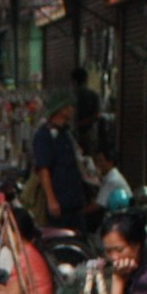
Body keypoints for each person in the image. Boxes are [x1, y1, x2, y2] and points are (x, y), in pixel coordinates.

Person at [31, 92, 88, 231]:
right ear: (60, 109)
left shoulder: (66, 133)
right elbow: (43, 168)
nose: (72, 110)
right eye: (68, 106)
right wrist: (51, 199)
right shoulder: (44, 136)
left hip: (74, 198)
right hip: (60, 199)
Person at [87, 149, 131, 232]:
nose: (98, 164)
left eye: (101, 161)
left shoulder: (112, 179)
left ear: (110, 162)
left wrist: (80, 213)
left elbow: (98, 205)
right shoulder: (108, 176)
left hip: (119, 217)